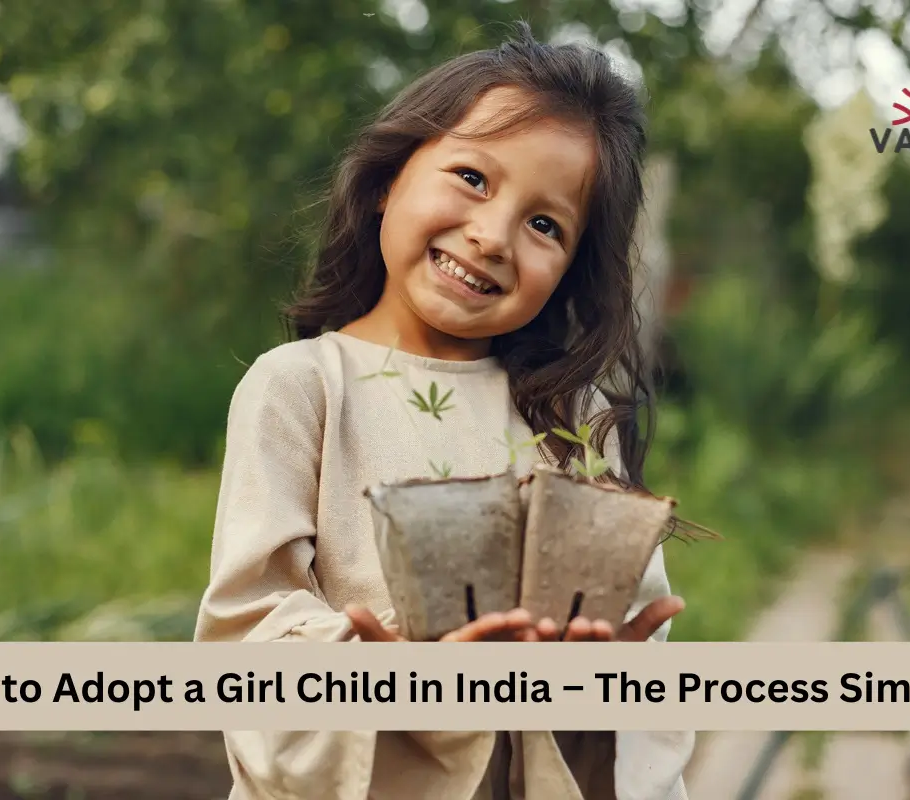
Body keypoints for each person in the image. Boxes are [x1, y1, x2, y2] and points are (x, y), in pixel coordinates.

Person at [194, 22, 695, 800]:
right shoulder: (302, 386)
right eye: (472, 177)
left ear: (568, 269)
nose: (492, 236)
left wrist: (606, 687)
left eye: (544, 225)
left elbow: (635, 664)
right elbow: (247, 636)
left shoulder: (575, 418)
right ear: (391, 176)